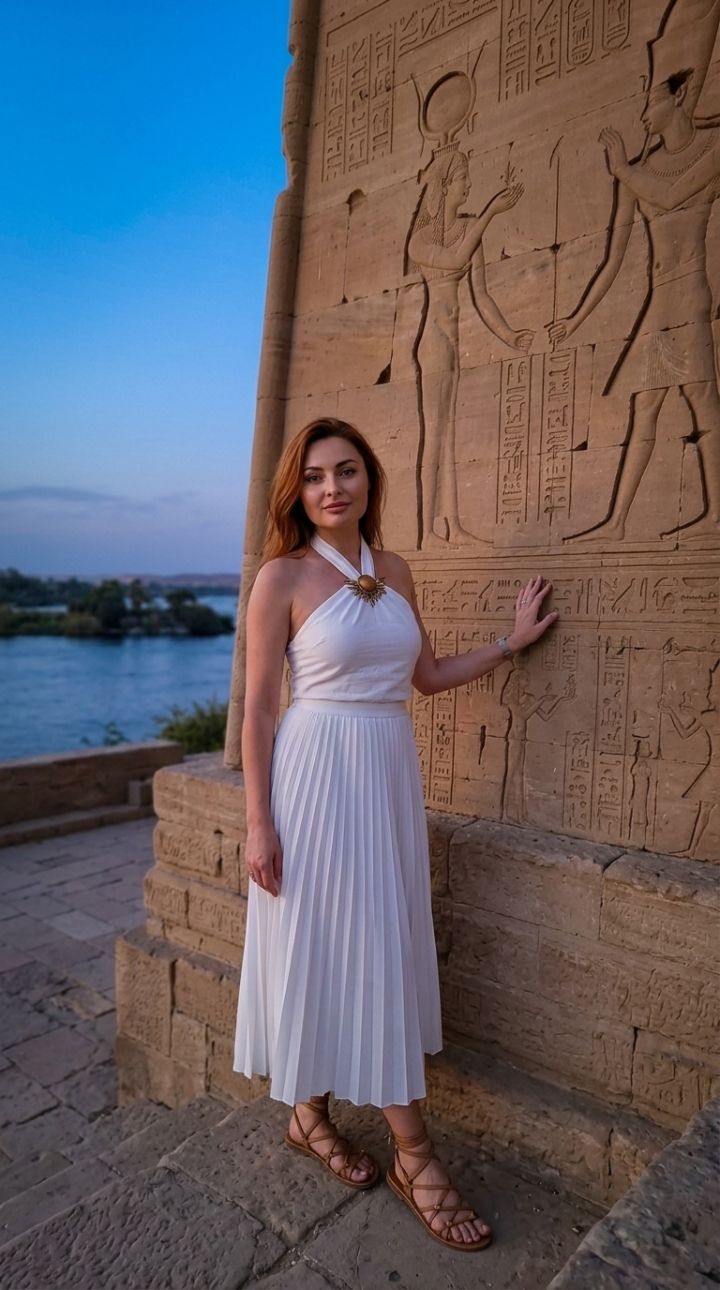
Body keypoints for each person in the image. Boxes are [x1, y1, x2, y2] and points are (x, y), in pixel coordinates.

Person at [233, 416, 558, 1252]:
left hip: (383, 774)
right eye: (313, 476)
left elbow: (426, 677)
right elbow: (261, 711)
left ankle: (309, 1116)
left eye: (346, 471)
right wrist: (259, 824)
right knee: (327, 939)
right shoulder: (283, 576)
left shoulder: (396, 571)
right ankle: (415, 1153)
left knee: (372, 941)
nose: (331, 487)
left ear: (370, 481)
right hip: (313, 778)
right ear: (296, 492)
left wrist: (508, 644)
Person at [548, 68, 720, 541]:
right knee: (646, 407)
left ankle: (715, 514)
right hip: (660, 301)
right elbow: (614, 258)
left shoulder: (710, 149)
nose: (644, 116)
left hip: (689, 294)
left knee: (702, 399)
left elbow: (673, 193)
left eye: (651, 103)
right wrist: (576, 318)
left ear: (680, 96)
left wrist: (623, 168)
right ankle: (618, 522)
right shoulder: (639, 170)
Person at [407, 148, 533, 548]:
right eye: (463, 179)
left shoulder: (468, 231)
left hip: (454, 341)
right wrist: (490, 213)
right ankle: (427, 532)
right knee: (436, 435)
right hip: (433, 342)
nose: (470, 186)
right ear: (445, 186)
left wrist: (510, 335)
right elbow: (452, 258)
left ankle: (453, 525)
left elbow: (482, 297)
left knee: (450, 435)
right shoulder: (421, 239)